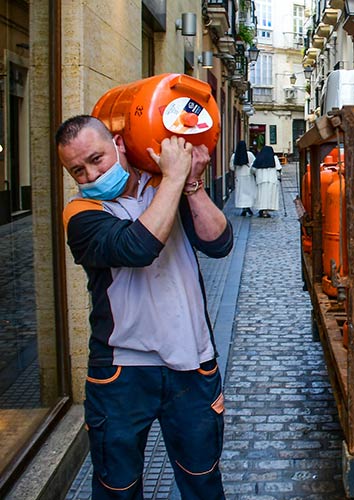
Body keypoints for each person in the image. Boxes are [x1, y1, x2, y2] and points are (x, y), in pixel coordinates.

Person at [57, 115, 232, 500]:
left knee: (202, 480)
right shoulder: (81, 214)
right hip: (121, 371)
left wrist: (189, 184)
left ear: (119, 143)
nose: (90, 175)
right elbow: (137, 248)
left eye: (96, 159)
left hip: (191, 360)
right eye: (78, 170)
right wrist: (174, 178)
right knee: (116, 488)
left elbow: (219, 243)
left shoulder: (162, 184)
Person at [251, 145, 282, 218]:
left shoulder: (259, 158)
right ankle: (266, 210)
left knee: (262, 196)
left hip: (261, 180)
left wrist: (255, 174)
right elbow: (279, 168)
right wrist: (279, 176)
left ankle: (263, 209)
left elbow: (253, 169)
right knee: (269, 196)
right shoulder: (274, 158)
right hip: (272, 180)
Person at [229, 140, 256, 216]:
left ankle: (243, 208)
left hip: (239, 176)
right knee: (249, 192)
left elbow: (232, 167)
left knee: (241, 193)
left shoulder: (234, 156)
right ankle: (248, 207)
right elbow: (254, 164)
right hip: (248, 176)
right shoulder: (250, 155)